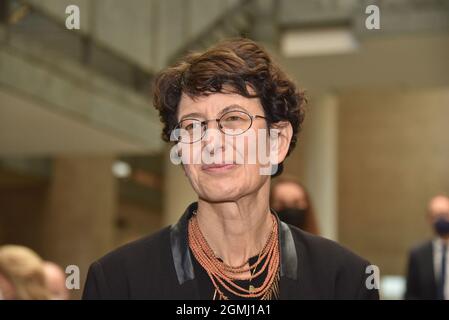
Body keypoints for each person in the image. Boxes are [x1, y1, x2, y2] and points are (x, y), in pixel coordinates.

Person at [83, 38, 378, 300]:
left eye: (233, 119)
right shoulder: (119, 282)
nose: (211, 142)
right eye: (192, 126)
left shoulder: (344, 281)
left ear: (277, 141)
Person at [405, 194, 449, 300]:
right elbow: (410, 294)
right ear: (429, 219)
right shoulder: (418, 254)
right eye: (436, 215)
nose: (441, 219)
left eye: (445, 214)